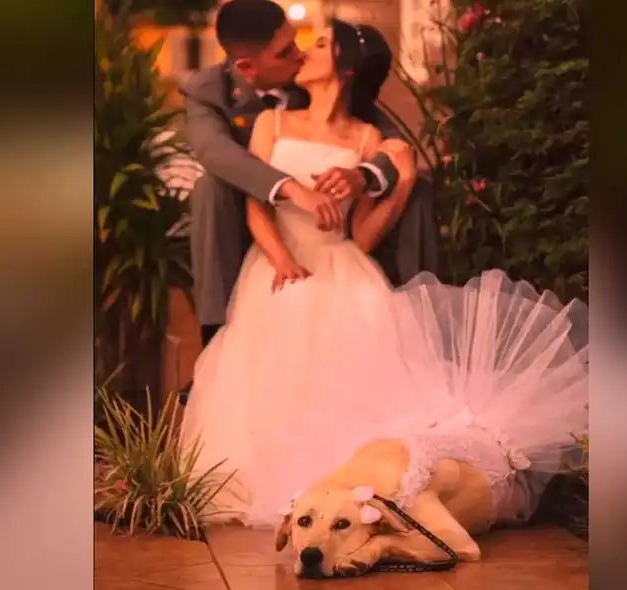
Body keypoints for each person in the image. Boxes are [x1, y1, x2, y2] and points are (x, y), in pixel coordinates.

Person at [179, 17, 589, 528]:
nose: (306, 52)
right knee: (280, 332)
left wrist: (397, 180)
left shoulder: (369, 133)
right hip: (278, 258)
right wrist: (282, 259)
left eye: (320, 44)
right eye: (299, 46)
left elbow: (365, 236)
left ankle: (359, 478)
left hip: (340, 260)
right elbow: (254, 203)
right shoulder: (272, 123)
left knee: (364, 330)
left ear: (346, 70)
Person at [178, 0, 440, 363]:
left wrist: (363, 176)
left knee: (416, 193)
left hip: (333, 244)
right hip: (250, 218)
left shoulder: (315, 85)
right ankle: (212, 345)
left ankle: (424, 322)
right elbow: (217, 153)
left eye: (302, 42)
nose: (300, 55)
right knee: (210, 188)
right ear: (247, 67)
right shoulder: (210, 91)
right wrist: (292, 189)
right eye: (286, 51)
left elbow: (395, 146)